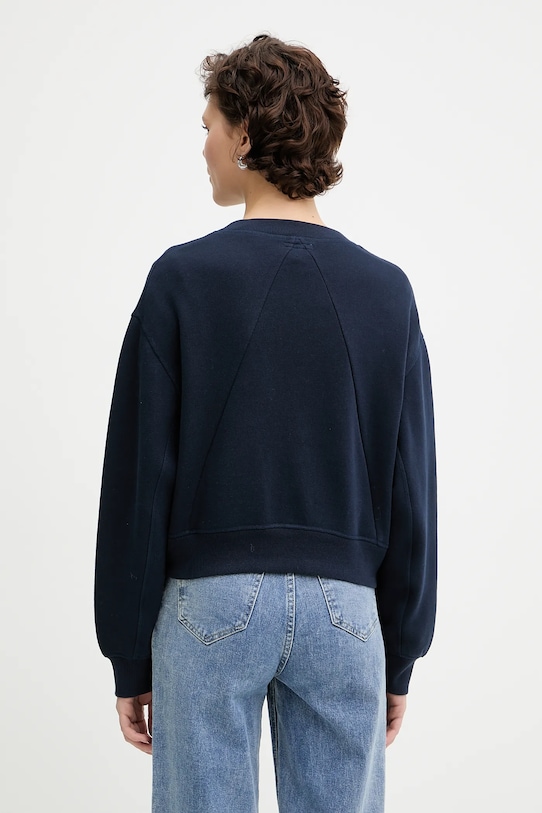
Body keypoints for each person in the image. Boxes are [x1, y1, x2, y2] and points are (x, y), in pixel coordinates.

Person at [94, 33, 437, 813]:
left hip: (209, 603)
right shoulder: (387, 293)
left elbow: (140, 482)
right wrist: (400, 650)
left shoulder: (181, 280)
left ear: (245, 133)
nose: (204, 147)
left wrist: (127, 651)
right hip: (346, 610)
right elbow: (410, 489)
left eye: (210, 127)